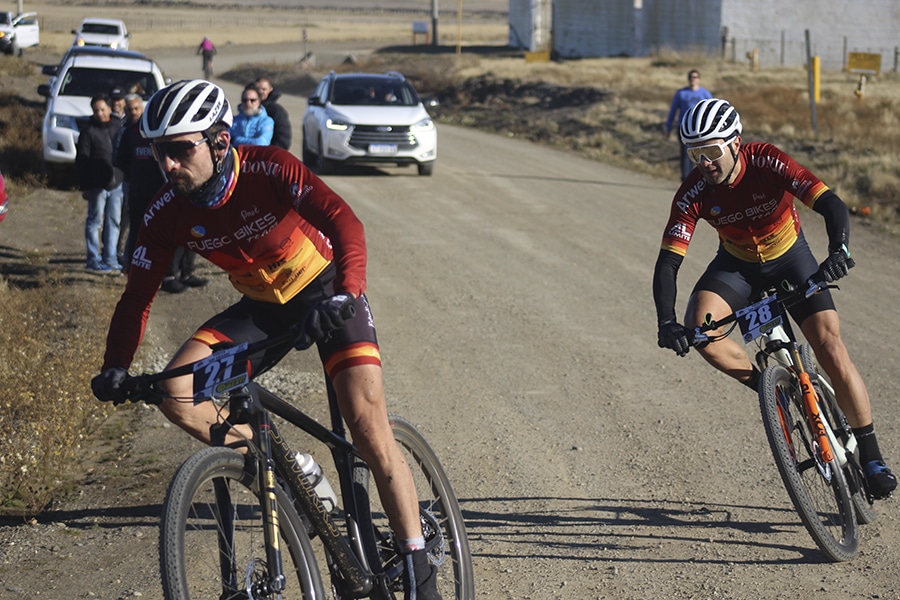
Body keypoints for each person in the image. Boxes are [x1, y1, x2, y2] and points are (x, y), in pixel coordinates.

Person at [90, 79, 441, 599]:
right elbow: (137, 297)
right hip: (264, 309)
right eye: (160, 153)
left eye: (180, 150)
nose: (167, 165)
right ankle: (283, 468)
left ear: (219, 142)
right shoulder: (166, 212)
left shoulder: (269, 167)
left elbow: (346, 222)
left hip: (325, 294)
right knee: (175, 393)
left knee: (366, 426)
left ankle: (418, 564)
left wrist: (346, 292)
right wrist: (116, 363)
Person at [652, 98, 897, 500]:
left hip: (791, 258)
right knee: (700, 329)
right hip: (737, 266)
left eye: (711, 151)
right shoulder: (692, 192)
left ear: (735, 142)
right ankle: (776, 390)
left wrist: (839, 251)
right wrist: (666, 321)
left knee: (831, 348)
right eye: (695, 154)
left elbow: (830, 203)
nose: (705, 162)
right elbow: (668, 263)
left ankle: (871, 456)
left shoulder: (766, 160)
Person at [114, 93, 209, 292]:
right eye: (130, 109)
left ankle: (179, 273)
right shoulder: (130, 133)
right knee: (138, 233)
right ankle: (135, 274)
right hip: (139, 193)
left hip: (167, 192)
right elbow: (121, 160)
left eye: (137, 109)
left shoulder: (163, 133)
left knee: (180, 231)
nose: (134, 113)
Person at [77, 94, 124, 274]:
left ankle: (110, 259)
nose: (100, 113)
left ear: (110, 108)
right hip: (97, 185)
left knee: (114, 222)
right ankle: (93, 259)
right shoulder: (88, 133)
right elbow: (82, 162)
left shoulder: (118, 127)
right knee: (94, 222)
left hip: (117, 184)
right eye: (96, 110)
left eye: (103, 109)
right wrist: (85, 187)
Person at [664, 69, 712, 180]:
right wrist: (668, 127)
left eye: (695, 77)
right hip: (684, 127)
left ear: (699, 79)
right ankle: (686, 178)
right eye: (691, 77)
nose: (693, 79)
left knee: (700, 154)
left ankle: (699, 178)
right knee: (686, 153)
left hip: (700, 129)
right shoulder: (681, 93)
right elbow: (673, 111)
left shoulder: (705, 94)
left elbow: (711, 110)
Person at [255, 76, 292, 150]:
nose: (260, 92)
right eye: (257, 89)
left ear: (270, 90)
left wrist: (272, 154)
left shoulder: (277, 111)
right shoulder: (245, 109)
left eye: (264, 89)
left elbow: (283, 137)